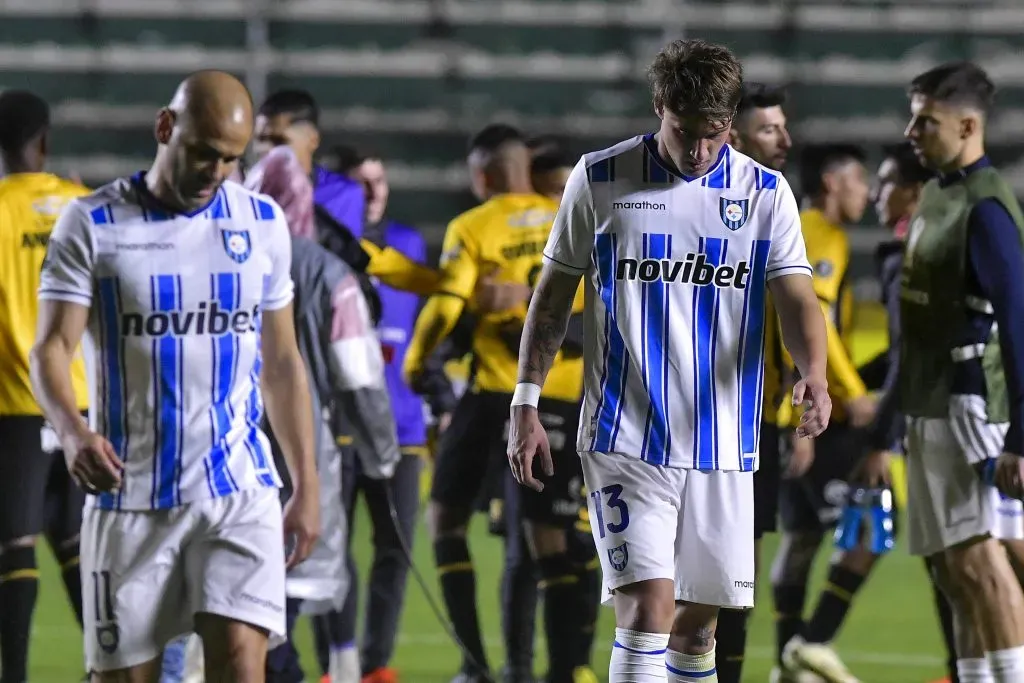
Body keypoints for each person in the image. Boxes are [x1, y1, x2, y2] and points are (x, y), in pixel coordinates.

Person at [507, 38, 831, 683]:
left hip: (722, 439)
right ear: (659, 106)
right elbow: (551, 301)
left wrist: (812, 373)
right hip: (624, 432)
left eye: (713, 135)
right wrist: (526, 401)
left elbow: (797, 298)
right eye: (684, 132)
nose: (699, 150)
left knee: (697, 627)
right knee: (646, 611)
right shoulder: (600, 178)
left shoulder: (764, 193)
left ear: (731, 124)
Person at [30, 70, 321, 681]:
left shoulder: (262, 224)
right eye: (204, 153)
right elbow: (52, 347)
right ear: (166, 129)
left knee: (243, 663)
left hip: (236, 489)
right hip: (130, 497)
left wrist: (306, 483)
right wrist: (73, 431)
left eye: (231, 159)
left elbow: (285, 362)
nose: (216, 171)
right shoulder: (92, 224)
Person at [403, 123, 589, 683]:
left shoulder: (474, 225)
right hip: (559, 396)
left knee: (447, 520)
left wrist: (417, 361)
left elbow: (446, 304)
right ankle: (563, 668)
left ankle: (478, 665)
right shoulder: (568, 219)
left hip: (494, 398)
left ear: (482, 175)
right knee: (547, 541)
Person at [889, 61, 1024, 683]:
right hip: (930, 400)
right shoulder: (941, 192)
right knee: (952, 569)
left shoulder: (987, 206)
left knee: (979, 564)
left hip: (968, 403)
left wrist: (1021, 433)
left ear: (968, 124)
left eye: (927, 119)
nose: (912, 130)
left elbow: (1018, 318)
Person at [323, 147, 452, 683]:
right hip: (335, 427)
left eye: (380, 182)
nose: (375, 193)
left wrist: (440, 398)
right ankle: (340, 661)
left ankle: (374, 664)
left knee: (394, 551)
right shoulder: (322, 251)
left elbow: (430, 332)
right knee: (331, 551)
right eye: (361, 184)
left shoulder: (407, 245)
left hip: (402, 429)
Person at [770, 144, 877, 683]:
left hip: (795, 410)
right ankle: (812, 643)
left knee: (803, 535)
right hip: (820, 410)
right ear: (833, 183)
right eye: (860, 180)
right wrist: (852, 390)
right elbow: (814, 319)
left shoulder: (805, 228)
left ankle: (785, 663)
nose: (869, 192)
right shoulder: (819, 232)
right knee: (874, 522)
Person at [0, 89, 90, 683]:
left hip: (12, 404)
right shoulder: (85, 206)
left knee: (15, 545)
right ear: (46, 142)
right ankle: (112, 667)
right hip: (81, 406)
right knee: (80, 543)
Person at [866, 142, 963, 683]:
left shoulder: (914, 252)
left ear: (917, 191)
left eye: (888, 183)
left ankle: (974, 666)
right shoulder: (951, 242)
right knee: (953, 555)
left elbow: (913, 352)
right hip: (964, 414)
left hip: (949, 421)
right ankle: (965, 666)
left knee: (958, 556)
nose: (880, 195)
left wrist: (882, 436)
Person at [717, 81, 793, 683]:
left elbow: (800, 316)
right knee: (673, 578)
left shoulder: (777, 206)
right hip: (680, 421)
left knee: (739, 572)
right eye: (771, 129)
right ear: (736, 136)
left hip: (756, 426)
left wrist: (806, 392)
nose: (784, 140)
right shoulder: (688, 206)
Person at [254, 90, 440, 296]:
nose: (268, 150)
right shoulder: (244, 191)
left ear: (312, 140)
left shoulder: (343, 194)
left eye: (279, 141)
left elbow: (355, 259)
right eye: (261, 139)